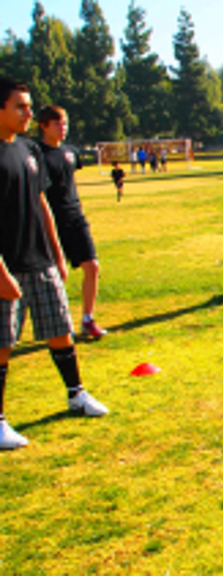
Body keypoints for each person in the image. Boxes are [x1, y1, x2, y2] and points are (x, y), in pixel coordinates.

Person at [0, 77, 109, 450]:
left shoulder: (30, 149)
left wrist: (57, 252)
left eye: (29, 106)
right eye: (20, 106)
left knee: (59, 326)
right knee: (3, 341)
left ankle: (76, 395)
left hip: (40, 256)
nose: (28, 112)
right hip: (6, 264)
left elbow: (41, 202)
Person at [36, 105, 107, 339]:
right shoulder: (36, 154)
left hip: (75, 217)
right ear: (43, 126)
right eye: (57, 124)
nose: (62, 128)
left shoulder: (70, 153)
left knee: (92, 266)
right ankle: (58, 325)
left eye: (65, 123)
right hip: (50, 221)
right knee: (57, 274)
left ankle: (88, 319)